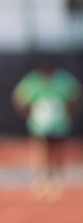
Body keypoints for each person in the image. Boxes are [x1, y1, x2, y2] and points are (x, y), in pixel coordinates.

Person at [12, 60, 80, 199]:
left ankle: (56, 178)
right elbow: (18, 98)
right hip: (39, 124)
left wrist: (68, 110)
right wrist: (27, 113)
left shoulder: (63, 79)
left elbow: (76, 95)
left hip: (59, 123)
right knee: (41, 150)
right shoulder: (32, 81)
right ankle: (41, 178)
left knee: (57, 150)